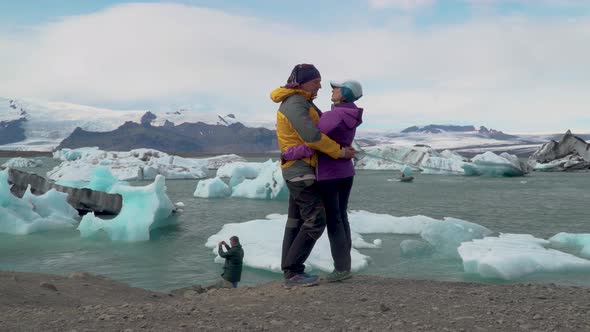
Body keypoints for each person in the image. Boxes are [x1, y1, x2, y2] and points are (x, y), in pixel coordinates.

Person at [270, 64, 357, 288]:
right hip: (300, 169)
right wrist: (340, 151)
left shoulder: (302, 101)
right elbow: (313, 136)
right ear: (303, 82)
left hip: (302, 167)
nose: (320, 85)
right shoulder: (296, 103)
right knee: (316, 220)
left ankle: (290, 271)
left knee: (296, 221)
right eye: (316, 81)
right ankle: (293, 272)